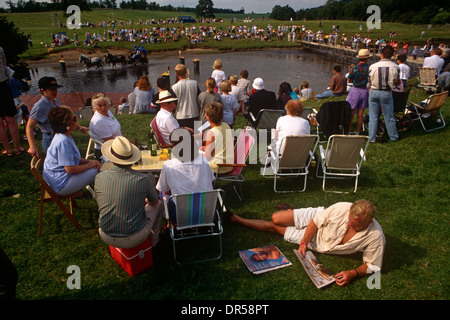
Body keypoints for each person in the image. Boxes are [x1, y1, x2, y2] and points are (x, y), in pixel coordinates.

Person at [229, 200, 385, 287]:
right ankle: (293, 212)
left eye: (356, 224)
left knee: (275, 227)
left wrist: (353, 273)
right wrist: (304, 242)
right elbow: (316, 221)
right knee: (277, 218)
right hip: (318, 219)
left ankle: (237, 219)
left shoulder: (376, 237)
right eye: (350, 221)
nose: (351, 225)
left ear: (369, 222)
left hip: (320, 242)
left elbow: (373, 265)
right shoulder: (341, 208)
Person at [95, 136, 162, 249]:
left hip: (105, 234)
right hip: (134, 236)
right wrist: (145, 200)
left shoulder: (99, 177)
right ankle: (153, 242)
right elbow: (154, 201)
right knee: (159, 204)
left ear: (111, 159)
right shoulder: (143, 179)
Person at [156, 128, 214, 221]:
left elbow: (164, 190)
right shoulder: (204, 160)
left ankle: (167, 221)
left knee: (162, 192)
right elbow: (211, 181)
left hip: (181, 215)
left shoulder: (168, 165)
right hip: (207, 211)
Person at [43, 106, 100, 196]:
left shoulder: (63, 136)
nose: (76, 120)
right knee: (96, 170)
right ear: (68, 124)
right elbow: (70, 169)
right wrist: (89, 165)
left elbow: (74, 159)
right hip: (61, 185)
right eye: (74, 118)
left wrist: (89, 161)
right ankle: (101, 194)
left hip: (57, 179)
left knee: (95, 166)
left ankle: (99, 191)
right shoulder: (63, 142)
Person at [26, 76, 88, 158]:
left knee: (69, 158)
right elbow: (29, 127)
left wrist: (79, 127)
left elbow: (64, 119)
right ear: (43, 90)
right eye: (52, 89)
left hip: (62, 134)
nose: (55, 91)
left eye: (56, 89)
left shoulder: (55, 101)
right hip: (50, 137)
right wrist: (32, 146)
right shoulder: (39, 106)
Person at [368, 45, 400, 143]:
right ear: (392, 55)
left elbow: (369, 81)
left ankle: (372, 137)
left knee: (373, 116)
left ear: (381, 54)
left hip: (374, 91)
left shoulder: (372, 66)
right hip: (386, 92)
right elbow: (397, 81)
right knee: (389, 116)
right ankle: (393, 136)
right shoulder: (396, 67)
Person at [0, 47, 23, 157]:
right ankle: (17, 148)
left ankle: (8, 150)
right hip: (2, 85)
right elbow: (4, 63)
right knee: (10, 119)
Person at [89, 93, 124, 162]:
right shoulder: (98, 121)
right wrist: (125, 145)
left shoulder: (108, 113)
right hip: (107, 150)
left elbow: (118, 130)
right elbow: (110, 141)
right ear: (95, 107)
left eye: (105, 104)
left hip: (118, 143)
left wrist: (127, 140)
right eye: (99, 106)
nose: (103, 108)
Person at [203, 102, 234, 174]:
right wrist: (206, 148)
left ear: (207, 116)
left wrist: (199, 154)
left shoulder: (211, 133)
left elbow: (207, 157)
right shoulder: (226, 126)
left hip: (218, 167)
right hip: (229, 164)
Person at [346, 49, 370, 135]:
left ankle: (348, 131)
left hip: (355, 90)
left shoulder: (354, 68)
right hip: (364, 90)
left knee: (351, 113)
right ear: (367, 58)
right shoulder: (369, 68)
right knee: (360, 114)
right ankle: (357, 132)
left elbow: (349, 79)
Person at [171, 63, 200, 129]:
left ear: (176, 74)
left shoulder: (174, 87)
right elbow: (199, 99)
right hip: (194, 114)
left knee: (184, 138)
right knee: (197, 138)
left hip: (181, 116)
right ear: (186, 72)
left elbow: (174, 104)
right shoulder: (194, 83)